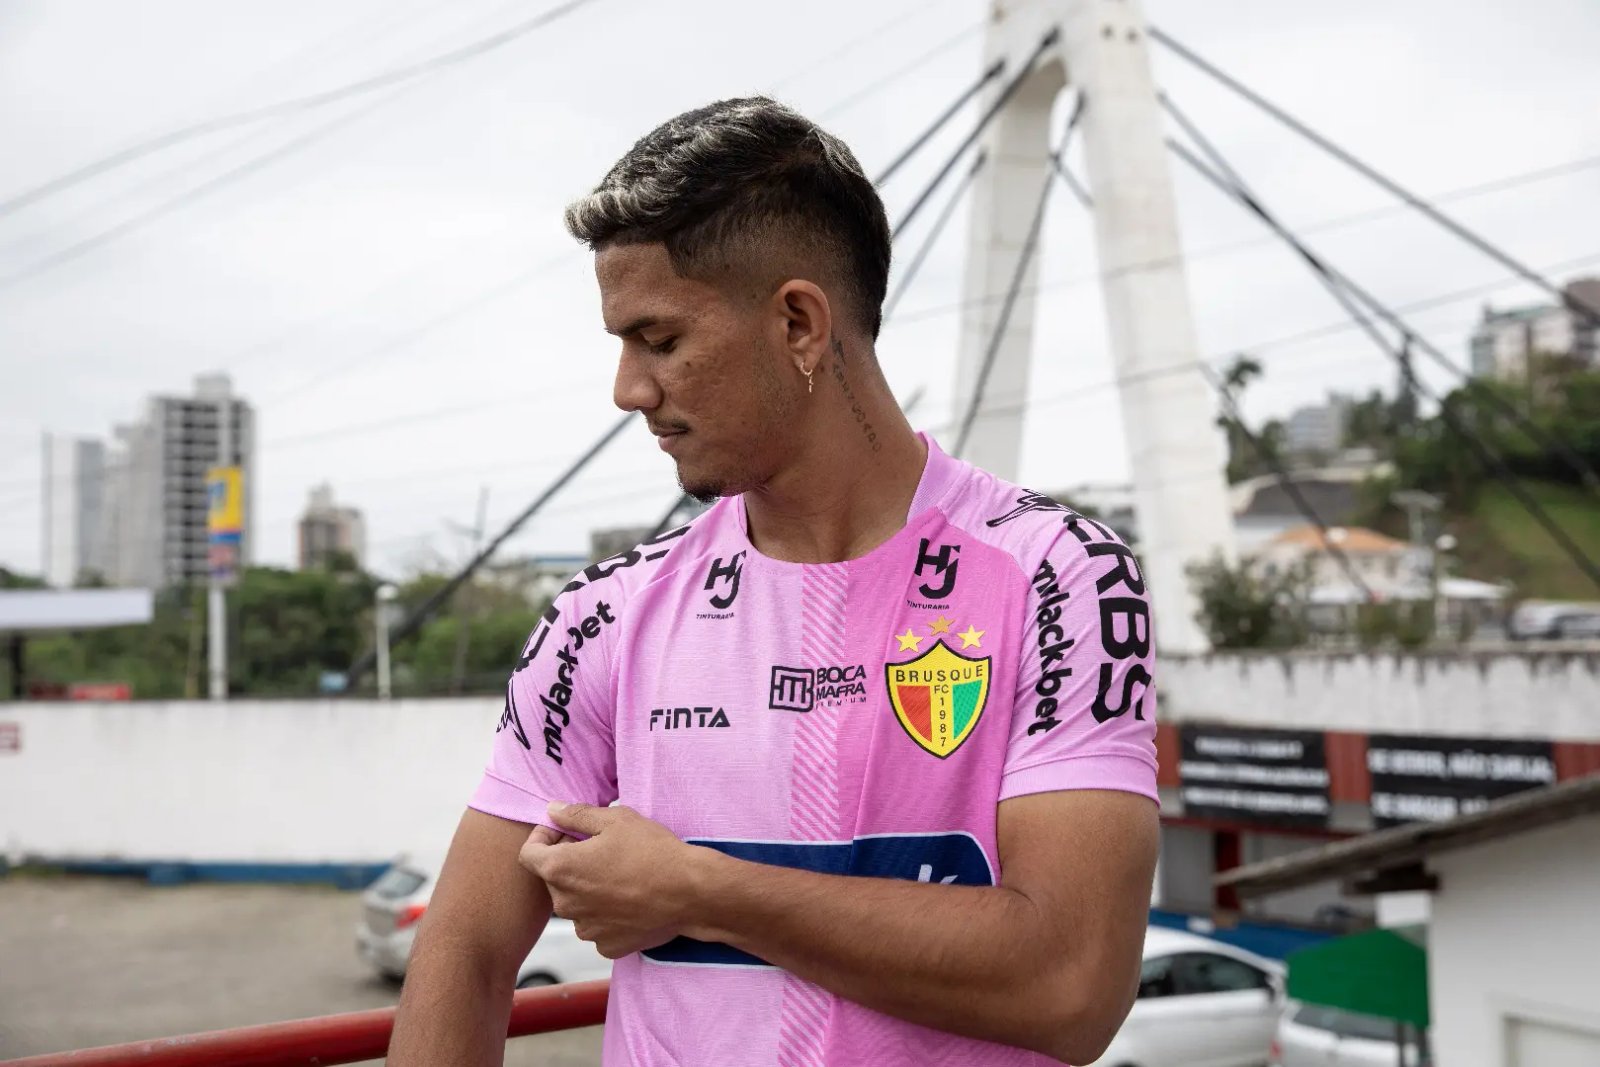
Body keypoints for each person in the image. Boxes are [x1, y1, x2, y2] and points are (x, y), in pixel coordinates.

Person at [388, 96, 1158, 1067]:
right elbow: (464, 952)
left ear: (798, 323)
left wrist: (698, 890)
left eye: (659, 339)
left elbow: (1070, 984)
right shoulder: (602, 614)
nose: (628, 389)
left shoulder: (1062, 576)